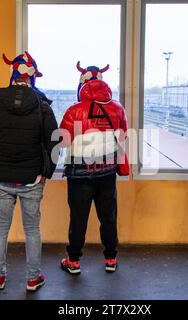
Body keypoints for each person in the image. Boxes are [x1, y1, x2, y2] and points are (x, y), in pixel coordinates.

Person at [0, 51, 59, 291]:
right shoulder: (42, 106)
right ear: (33, 78)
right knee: (32, 230)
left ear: (12, 75)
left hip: (1, 178)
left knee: (0, 227)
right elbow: (55, 142)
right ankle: (33, 279)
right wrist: (47, 172)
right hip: (32, 180)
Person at [59, 62, 128, 275]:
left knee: (78, 218)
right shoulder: (117, 109)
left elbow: (62, 141)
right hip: (107, 173)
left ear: (83, 87)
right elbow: (123, 137)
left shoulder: (74, 110)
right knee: (108, 217)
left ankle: (74, 262)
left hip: (79, 175)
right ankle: (110, 259)